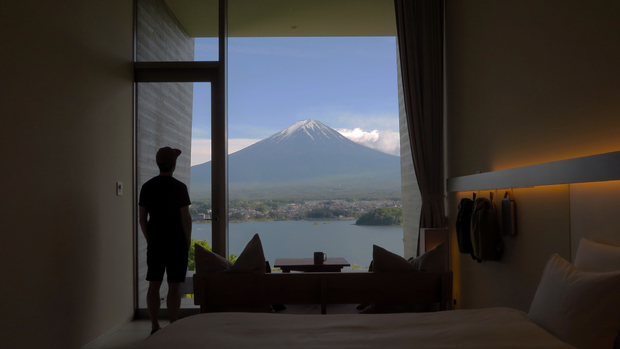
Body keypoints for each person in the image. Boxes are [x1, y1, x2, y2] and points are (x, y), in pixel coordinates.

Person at [138, 146, 192, 335]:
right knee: (174, 285)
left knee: (154, 284)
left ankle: (154, 326)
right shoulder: (180, 187)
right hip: (176, 241)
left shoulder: (147, 187)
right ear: (174, 165)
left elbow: (142, 218)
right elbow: (185, 218)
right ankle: (173, 323)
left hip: (156, 242)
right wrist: (187, 241)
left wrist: (149, 238)